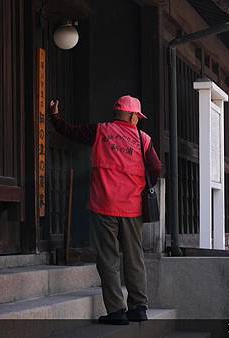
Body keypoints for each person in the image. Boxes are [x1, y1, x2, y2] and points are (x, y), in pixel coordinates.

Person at [48, 95, 162, 325]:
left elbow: (69, 131)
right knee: (134, 258)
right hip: (132, 208)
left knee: (108, 258)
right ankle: (139, 308)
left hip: (104, 205)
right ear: (131, 115)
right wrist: (141, 185)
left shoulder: (99, 131)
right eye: (137, 116)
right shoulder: (143, 139)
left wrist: (54, 116)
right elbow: (156, 168)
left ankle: (116, 312)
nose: (137, 120)